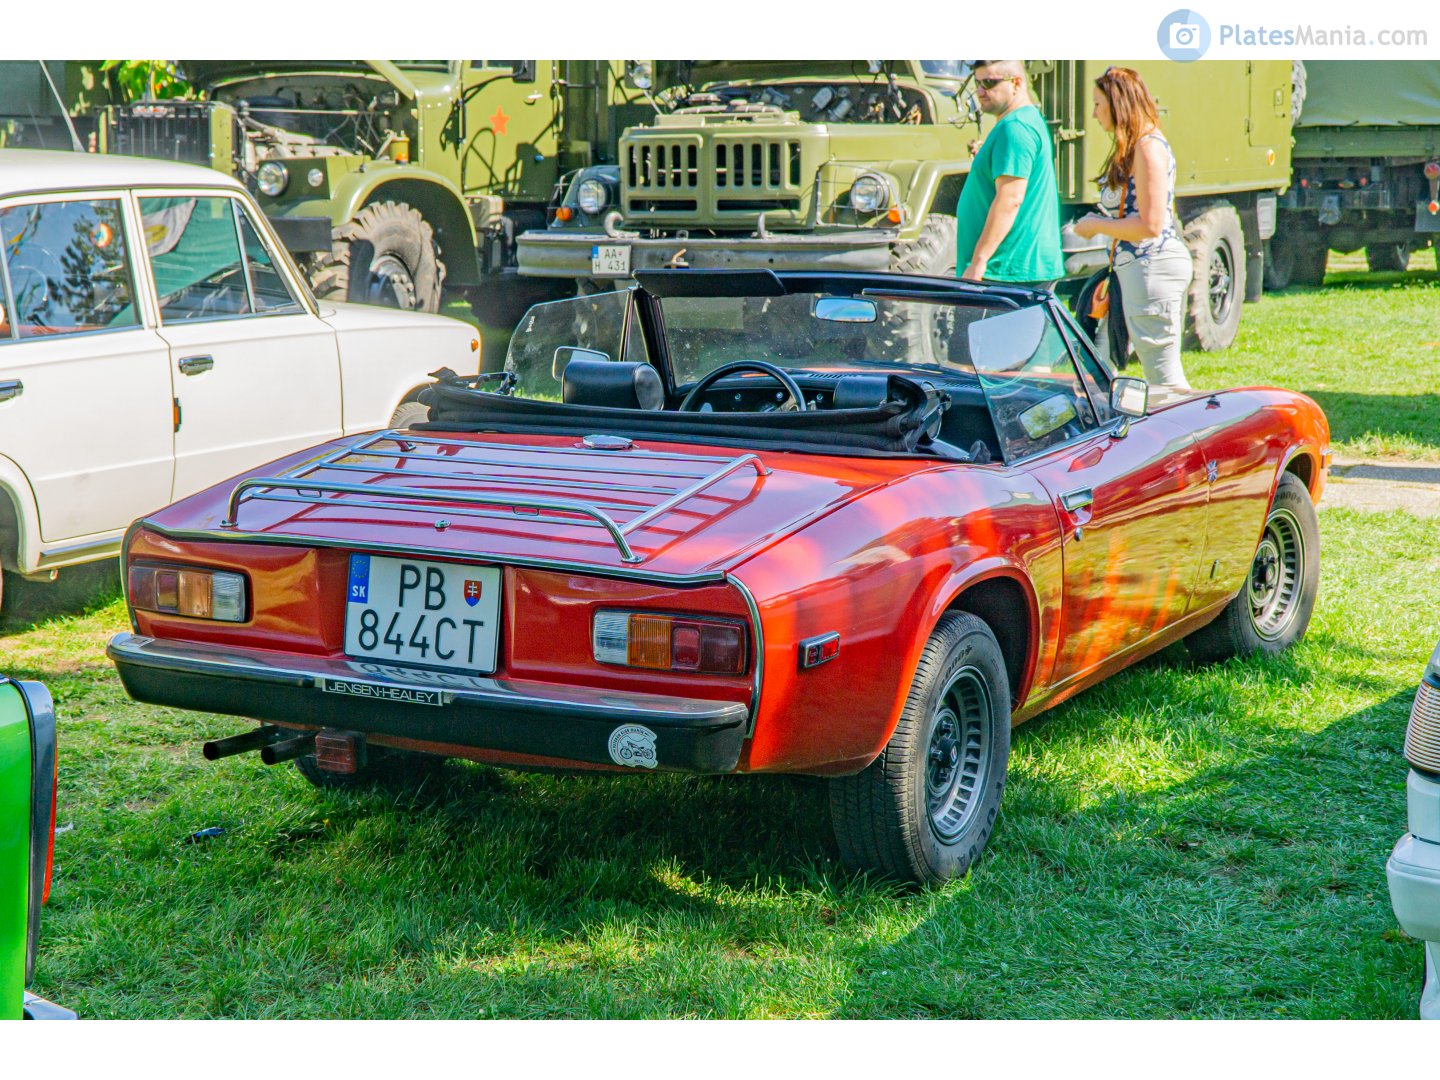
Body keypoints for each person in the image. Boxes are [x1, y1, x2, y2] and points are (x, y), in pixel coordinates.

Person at [1072, 67, 1193, 397]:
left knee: (1164, 378)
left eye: (1098, 104)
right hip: (1141, 270)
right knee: (1131, 369)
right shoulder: (1143, 145)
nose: (1094, 114)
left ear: (1117, 103)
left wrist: (1096, 225)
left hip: (1151, 267)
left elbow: (1149, 225)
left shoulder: (1147, 147)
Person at [954, 60, 1064, 289]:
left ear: (1016, 83)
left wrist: (979, 261)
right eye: (977, 83)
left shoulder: (1015, 128)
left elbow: (1010, 200)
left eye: (989, 82)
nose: (981, 91)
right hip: (1011, 270)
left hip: (1008, 271)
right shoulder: (1022, 121)